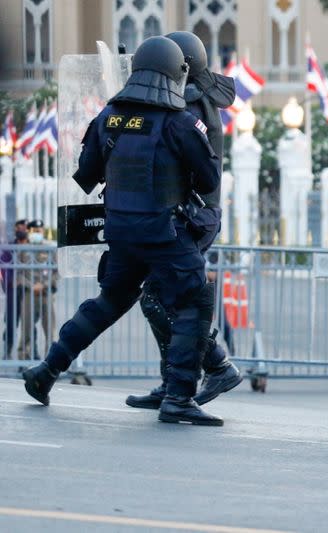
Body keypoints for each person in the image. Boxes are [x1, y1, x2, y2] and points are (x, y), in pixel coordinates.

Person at [22, 36, 224, 426]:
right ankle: (179, 397)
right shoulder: (180, 122)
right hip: (165, 232)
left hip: (120, 231)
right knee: (194, 301)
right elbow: (208, 177)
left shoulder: (108, 116)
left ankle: (45, 371)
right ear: (176, 73)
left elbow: (86, 174)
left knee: (110, 301)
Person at [125, 30, 241, 410]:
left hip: (192, 216)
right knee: (162, 298)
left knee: (159, 300)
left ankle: (217, 364)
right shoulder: (199, 102)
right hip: (193, 214)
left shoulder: (190, 109)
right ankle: (172, 382)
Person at [15, 220, 57, 362]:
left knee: (50, 331)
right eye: (34, 231)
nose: (37, 233)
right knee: (26, 329)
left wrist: (43, 285)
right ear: (29, 232)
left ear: (43, 231)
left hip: (46, 294)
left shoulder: (50, 249)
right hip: (29, 294)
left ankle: (50, 362)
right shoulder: (23, 249)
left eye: (39, 230)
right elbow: (18, 273)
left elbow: (57, 272)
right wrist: (31, 285)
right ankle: (23, 360)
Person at [2, 219, 28, 358]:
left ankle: (27, 354)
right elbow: (4, 268)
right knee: (11, 323)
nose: (22, 230)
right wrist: (9, 282)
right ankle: (7, 350)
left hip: (28, 291)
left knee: (28, 323)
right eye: (19, 227)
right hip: (13, 290)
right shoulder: (9, 247)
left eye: (24, 227)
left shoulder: (32, 246)